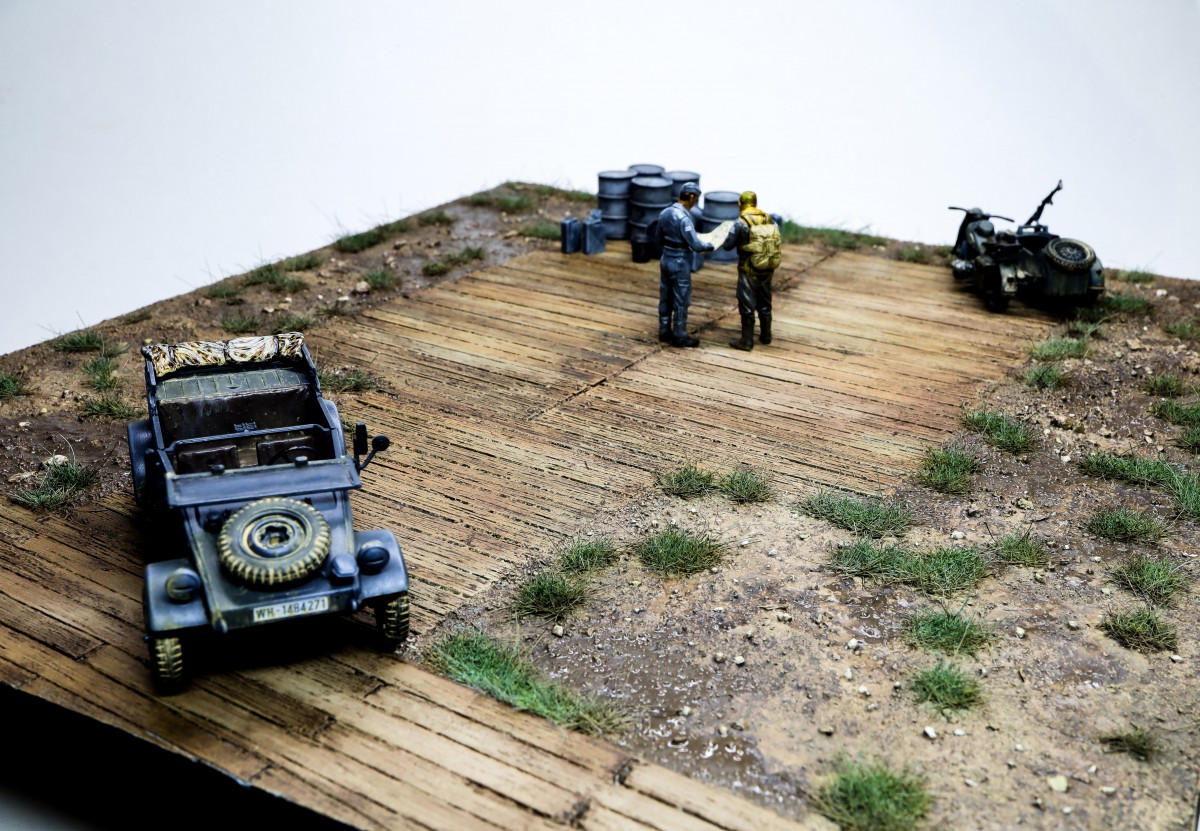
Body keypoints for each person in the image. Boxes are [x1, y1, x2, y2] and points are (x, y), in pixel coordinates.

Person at [656, 182, 714, 348]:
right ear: (691, 197)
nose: (695, 203)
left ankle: (664, 331)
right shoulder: (684, 219)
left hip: (666, 258)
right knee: (681, 299)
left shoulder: (664, 213)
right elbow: (696, 245)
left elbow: (657, 238)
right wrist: (710, 245)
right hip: (680, 262)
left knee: (665, 295)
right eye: (695, 199)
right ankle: (680, 335)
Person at [722, 191, 781, 351]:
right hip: (767, 266)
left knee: (747, 304)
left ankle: (746, 341)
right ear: (755, 203)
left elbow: (727, 245)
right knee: (765, 302)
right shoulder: (768, 218)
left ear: (740, 204)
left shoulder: (740, 222)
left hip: (748, 269)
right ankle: (766, 336)